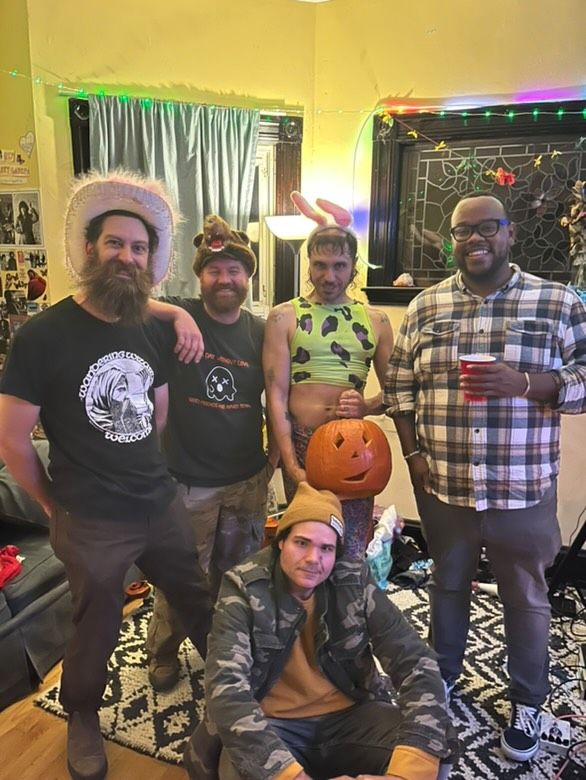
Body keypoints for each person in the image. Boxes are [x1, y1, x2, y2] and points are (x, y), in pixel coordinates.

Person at [0, 171, 213, 780]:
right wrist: (51, 504)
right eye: (115, 243)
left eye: (139, 248)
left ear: (150, 260)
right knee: (96, 623)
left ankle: (236, 688)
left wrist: (178, 314)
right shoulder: (42, 336)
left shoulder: (148, 324)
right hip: (89, 515)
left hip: (158, 502)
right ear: (90, 249)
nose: (127, 256)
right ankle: (83, 716)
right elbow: (12, 439)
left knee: (197, 597)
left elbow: (157, 410)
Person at [384, 192, 586, 763]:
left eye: (488, 227)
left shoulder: (556, 301)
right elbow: (400, 387)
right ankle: (441, 679)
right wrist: (412, 455)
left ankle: (528, 701)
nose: (475, 239)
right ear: (452, 240)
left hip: (521, 488)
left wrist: (524, 383)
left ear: (510, 233)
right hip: (444, 485)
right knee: (447, 585)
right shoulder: (425, 306)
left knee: (526, 597)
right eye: (462, 230)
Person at [184, 480, 453, 780]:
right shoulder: (243, 587)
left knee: (434, 745)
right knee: (238, 771)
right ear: (281, 541)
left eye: (326, 548)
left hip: (350, 716)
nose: (314, 558)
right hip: (273, 724)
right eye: (302, 543)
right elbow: (226, 689)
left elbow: (416, 662)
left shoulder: (353, 579)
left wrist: (400, 777)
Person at [145, 214, 278, 692]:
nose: (225, 279)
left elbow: (278, 396)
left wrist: (273, 464)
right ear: (200, 276)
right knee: (181, 577)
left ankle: (227, 651)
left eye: (234, 270)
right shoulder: (176, 316)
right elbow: (127, 301)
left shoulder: (261, 332)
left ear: (248, 277)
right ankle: (163, 651)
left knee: (239, 578)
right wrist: (178, 316)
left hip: (246, 480)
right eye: (215, 270)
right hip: (188, 482)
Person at [263, 198, 394, 558]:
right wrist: (291, 464)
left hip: (354, 450)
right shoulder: (283, 317)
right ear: (308, 263)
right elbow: (276, 396)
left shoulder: (377, 321)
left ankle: (348, 597)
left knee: (350, 551)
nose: (329, 276)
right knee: (306, 549)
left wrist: (366, 406)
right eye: (320, 265)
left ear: (353, 267)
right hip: (302, 443)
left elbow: (397, 393)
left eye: (339, 266)